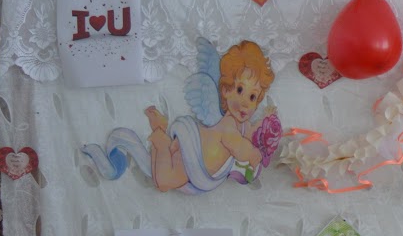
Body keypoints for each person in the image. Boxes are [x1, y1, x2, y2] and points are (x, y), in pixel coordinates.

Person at [84, 39, 280, 193]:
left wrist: (264, 123)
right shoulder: (228, 125)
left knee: (156, 173)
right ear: (226, 90)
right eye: (240, 90)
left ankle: (160, 135)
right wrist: (254, 155)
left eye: (253, 97)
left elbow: (250, 134)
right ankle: (160, 137)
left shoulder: (240, 126)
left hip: (190, 165)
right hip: (186, 164)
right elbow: (241, 148)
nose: (245, 102)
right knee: (163, 183)